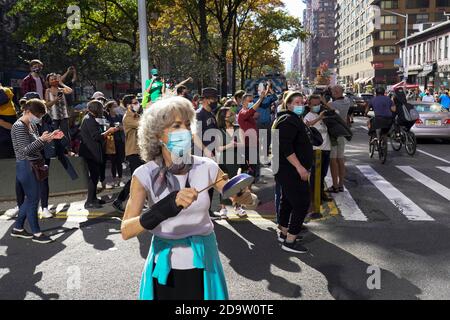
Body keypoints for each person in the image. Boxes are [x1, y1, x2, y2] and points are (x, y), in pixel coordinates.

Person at [120, 96, 253, 300]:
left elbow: (238, 195)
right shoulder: (143, 174)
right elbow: (127, 230)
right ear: (157, 134)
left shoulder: (207, 167)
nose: (184, 131)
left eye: (186, 124)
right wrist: (166, 207)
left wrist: (244, 195)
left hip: (204, 265)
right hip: (165, 269)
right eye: (176, 125)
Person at [10, 98, 64, 243]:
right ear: (27, 111)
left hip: (33, 164)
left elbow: (34, 147)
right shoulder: (19, 126)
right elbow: (24, 151)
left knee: (31, 198)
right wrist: (41, 140)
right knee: (33, 199)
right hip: (26, 165)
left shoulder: (30, 125)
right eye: (38, 115)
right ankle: (36, 233)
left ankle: (18, 228)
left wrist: (48, 138)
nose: (39, 119)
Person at [272, 91, 313, 253]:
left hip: (286, 169)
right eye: (296, 102)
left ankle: (284, 232)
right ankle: (290, 241)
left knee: (287, 200)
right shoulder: (288, 120)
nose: (299, 105)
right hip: (290, 170)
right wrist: (300, 167)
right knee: (302, 203)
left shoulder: (288, 118)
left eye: (301, 102)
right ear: (288, 104)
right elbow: (286, 148)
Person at [79, 100, 118, 209]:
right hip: (91, 152)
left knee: (95, 176)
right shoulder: (89, 120)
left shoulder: (89, 118)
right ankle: (89, 201)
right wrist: (109, 131)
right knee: (94, 176)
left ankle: (93, 198)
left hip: (93, 151)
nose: (102, 111)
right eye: (101, 108)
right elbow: (96, 136)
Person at [112, 95, 145, 212]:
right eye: (135, 103)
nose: (138, 104)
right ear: (128, 105)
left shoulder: (137, 115)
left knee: (142, 177)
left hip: (141, 151)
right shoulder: (128, 118)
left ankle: (138, 200)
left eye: (138, 102)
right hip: (133, 152)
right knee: (136, 178)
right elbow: (144, 125)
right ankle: (119, 200)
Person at [193, 87, 220, 218]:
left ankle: (207, 211)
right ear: (206, 100)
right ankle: (200, 212)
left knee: (209, 183)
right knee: (202, 184)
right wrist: (205, 150)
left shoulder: (211, 114)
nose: (215, 101)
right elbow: (194, 135)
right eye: (213, 99)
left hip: (211, 153)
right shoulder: (199, 114)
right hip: (201, 154)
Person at [215, 107, 247, 218]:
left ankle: (237, 206)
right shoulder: (218, 131)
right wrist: (229, 145)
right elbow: (217, 148)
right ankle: (223, 208)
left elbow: (243, 144)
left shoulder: (238, 128)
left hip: (236, 159)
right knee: (224, 184)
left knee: (237, 184)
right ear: (223, 117)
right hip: (223, 161)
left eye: (232, 114)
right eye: (230, 114)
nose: (233, 116)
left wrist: (235, 145)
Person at [322, 85, 352, 193]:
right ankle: (341, 185)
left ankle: (334, 185)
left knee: (333, 160)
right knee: (341, 159)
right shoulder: (347, 101)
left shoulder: (331, 104)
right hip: (342, 133)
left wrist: (323, 99)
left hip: (333, 134)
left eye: (333, 91)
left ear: (335, 92)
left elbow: (325, 108)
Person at [304, 95, 332, 204]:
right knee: (315, 174)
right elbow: (307, 125)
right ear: (309, 105)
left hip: (326, 147)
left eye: (318, 104)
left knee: (323, 173)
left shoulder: (323, 113)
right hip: (316, 149)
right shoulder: (309, 116)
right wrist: (319, 118)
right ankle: (314, 195)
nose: (317, 106)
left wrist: (325, 104)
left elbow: (335, 113)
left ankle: (321, 193)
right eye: (314, 104)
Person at [238, 87, 269, 181]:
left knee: (254, 167)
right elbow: (251, 111)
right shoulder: (243, 113)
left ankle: (252, 182)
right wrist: (261, 99)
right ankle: (248, 187)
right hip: (247, 146)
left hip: (253, 145)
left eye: (252, 100)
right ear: (243, 102)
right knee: (250, 169)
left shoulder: (249, 114)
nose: (251, 102)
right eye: (249, 101)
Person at [44, 73, 73, 147]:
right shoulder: (48, 91)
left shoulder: (62, 90)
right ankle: (57, 150)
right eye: (52, 79)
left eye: (55, 79)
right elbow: (47, 105)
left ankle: (68, 149)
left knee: (65, 132)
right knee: (55, 133)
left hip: (63, 115)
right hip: (53, 116)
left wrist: (61, 83)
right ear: (48, 81)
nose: (54, 80)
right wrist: (55, 100)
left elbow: (70, 90)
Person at [105, 100, 126, 188]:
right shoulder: (106, 117)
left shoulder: (120, 116)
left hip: (120, 141)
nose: (116, 108)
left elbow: (123, 126)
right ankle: (114, 179)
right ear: (109, 108)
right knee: (113, 162)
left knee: (119, 161)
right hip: (111, 142)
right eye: (114, 106)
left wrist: (118, 128)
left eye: (117, 106)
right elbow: (106, 128)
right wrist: (114, 128)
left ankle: (120, 179)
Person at [0, 84, 17, 159]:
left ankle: (8, 153)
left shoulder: (5, 90)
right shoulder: (6, 90)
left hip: (6, 116)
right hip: (7, 115)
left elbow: (3, 100)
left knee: (6, 136)